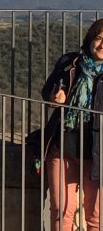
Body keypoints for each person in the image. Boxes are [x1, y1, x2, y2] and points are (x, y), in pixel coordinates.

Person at [40, 18, 103, 231]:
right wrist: (54, 97)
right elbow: (47, 91)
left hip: (97, 153)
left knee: (96, 217)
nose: (102, 45)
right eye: (98, 38)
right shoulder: (71, 63)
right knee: (61, 211)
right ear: (90, 40)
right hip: (63, 146)